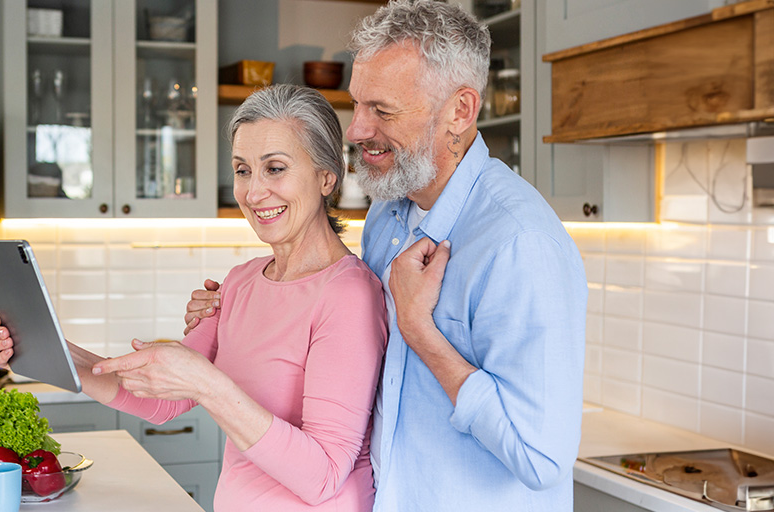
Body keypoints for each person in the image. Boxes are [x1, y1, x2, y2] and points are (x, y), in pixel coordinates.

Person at [183, 1, 588, 511]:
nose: (355, 131)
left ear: (459, 111)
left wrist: (423, 333)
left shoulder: (519, 243)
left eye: (384, 111)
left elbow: (540, 459)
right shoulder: (388, 216)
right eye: (359, 105)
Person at [0, 84, 388, 511]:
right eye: (243, 170)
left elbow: (322, 475)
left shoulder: (348, 295)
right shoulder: (241, 282)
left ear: (327, 177)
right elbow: (165, 401)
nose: (253, 193)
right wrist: (50, 351)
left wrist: (207, 384)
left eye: (275, 168)